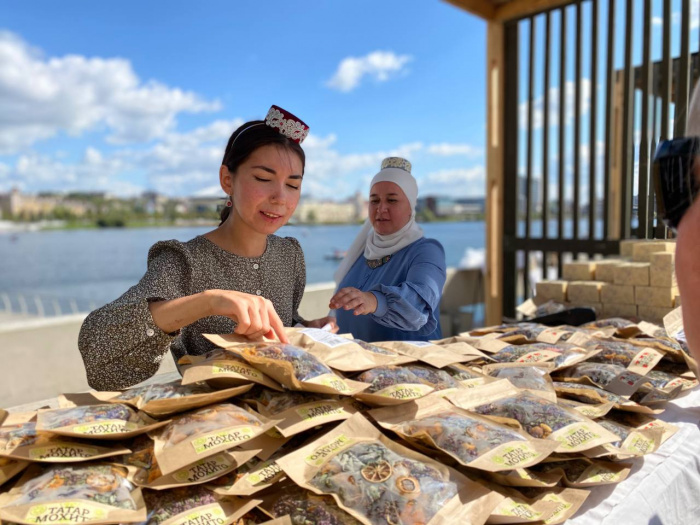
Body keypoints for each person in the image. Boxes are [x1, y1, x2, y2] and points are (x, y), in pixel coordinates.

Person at [78, 105, 335, 391]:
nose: (280, 198)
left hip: (288, 412)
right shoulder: (184, 261)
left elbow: (285, 324)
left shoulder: (289, 255)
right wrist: (208, 302)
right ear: (227, 179)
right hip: (215, 422)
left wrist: (307, 330)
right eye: (263, 179)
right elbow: (99, 358)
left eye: (292, 185)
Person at [329, 157, 446, 342]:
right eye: (374, 200)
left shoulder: (426, 251)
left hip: (408, 366)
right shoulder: (362, 250)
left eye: (392, 200)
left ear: (411, 207)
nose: (381, 209)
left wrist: (375, 301)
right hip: (356, 365)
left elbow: (420, 301)